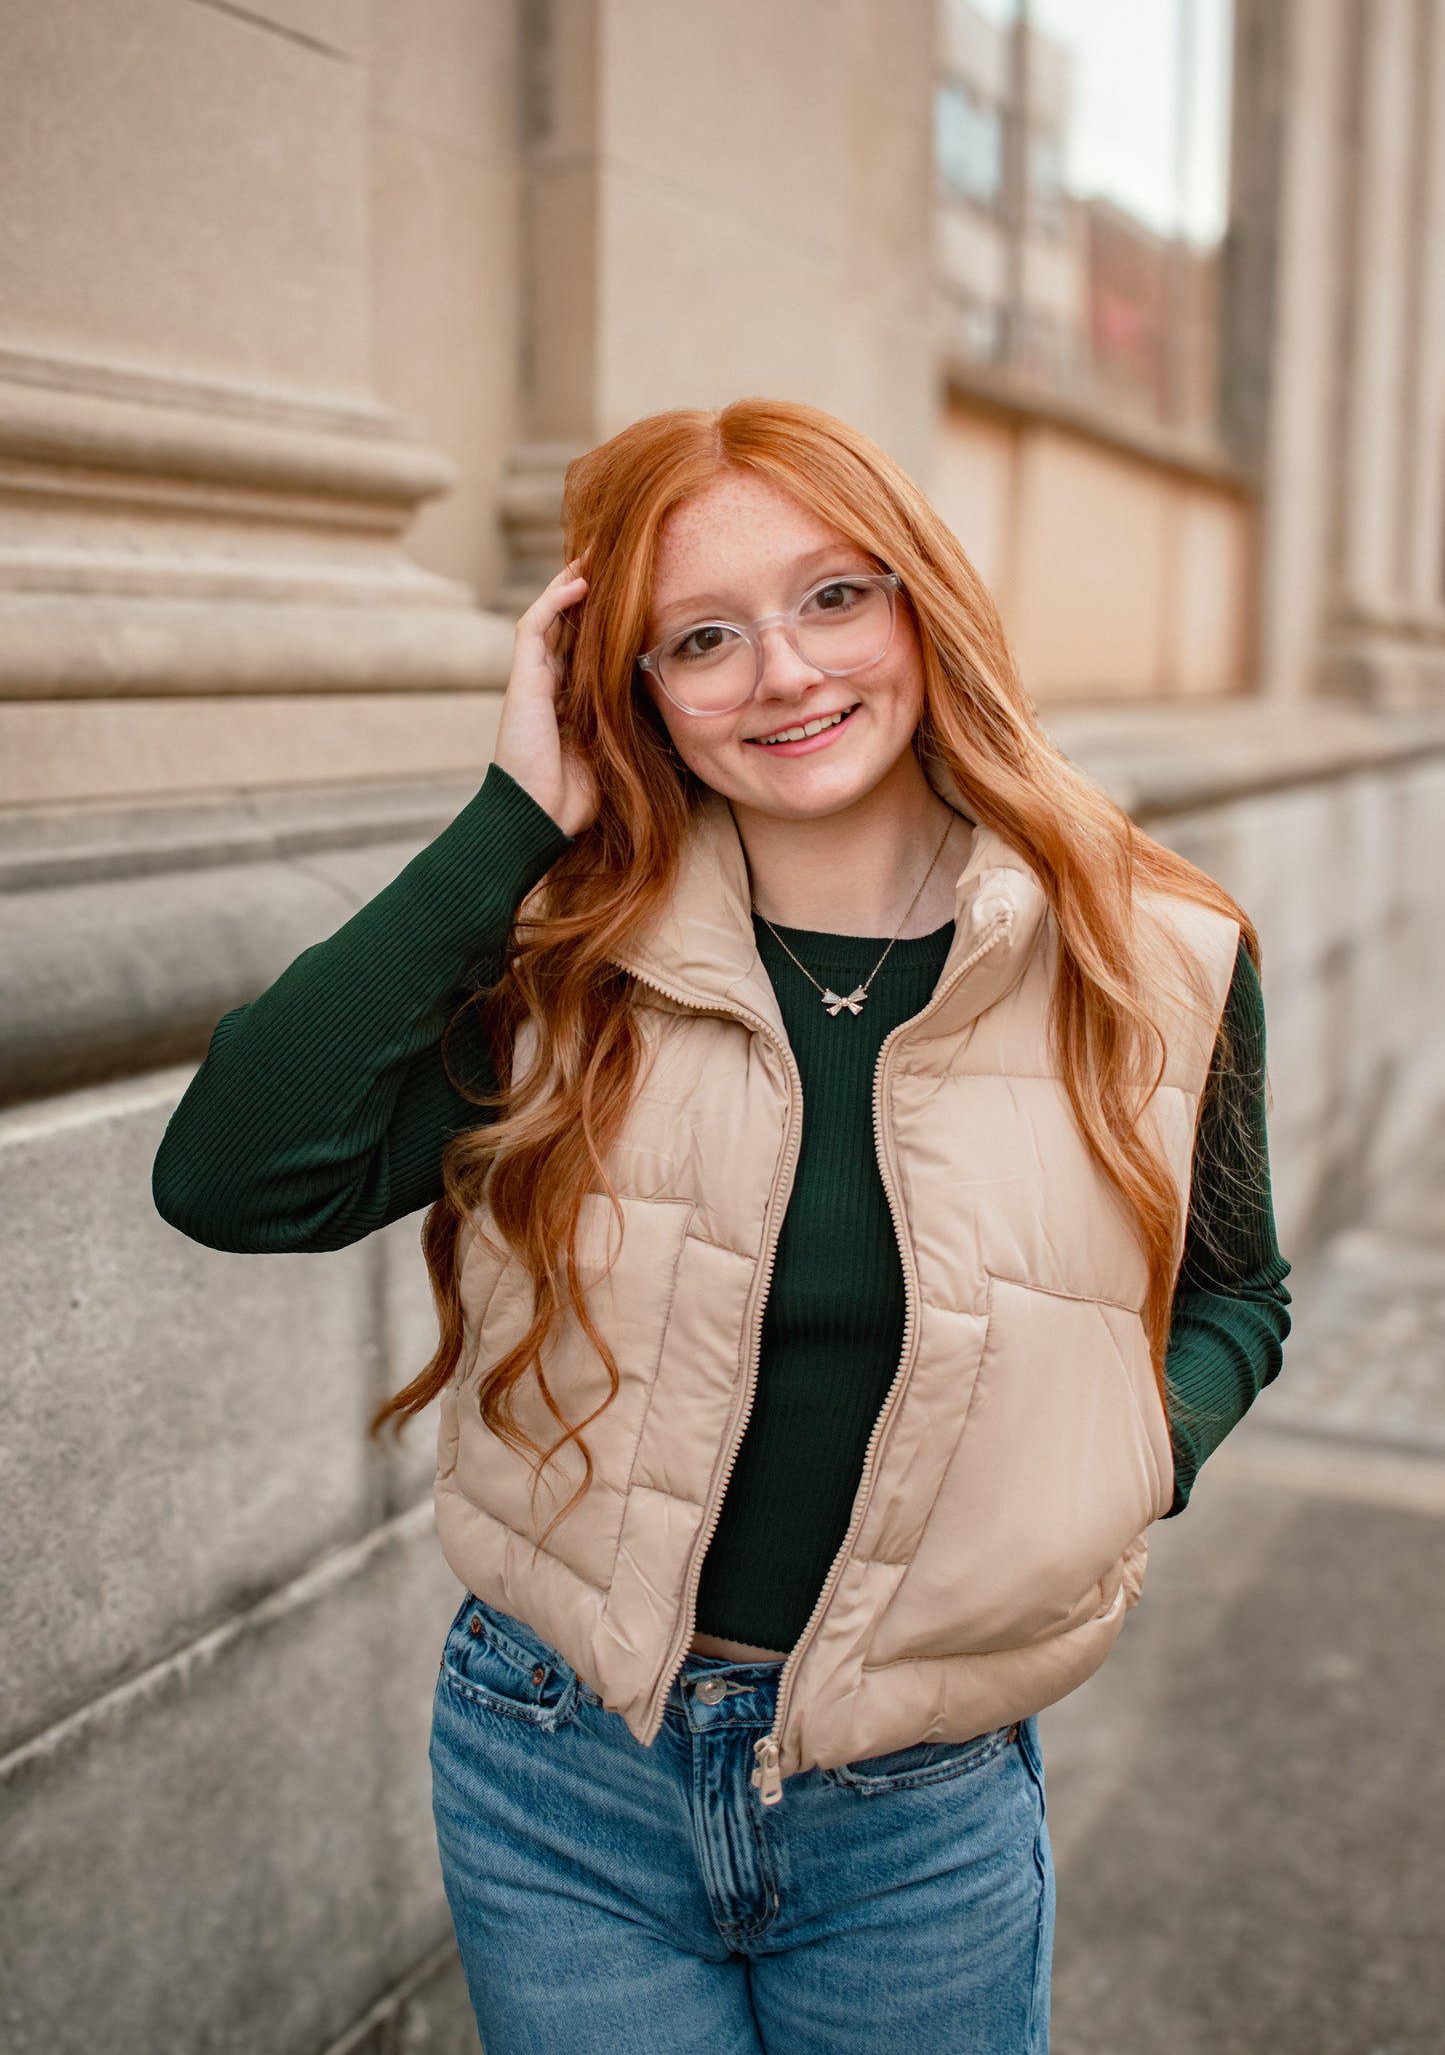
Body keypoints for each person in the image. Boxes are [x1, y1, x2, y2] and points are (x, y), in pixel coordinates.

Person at [153, 399, 1291, 2055]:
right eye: (700, 636)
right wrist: (507, 824)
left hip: (919, 1808)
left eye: (835, 596)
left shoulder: (1158, 957)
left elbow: (1234, 1293)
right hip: (559, 1779)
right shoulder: (566, 964)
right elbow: (235, 1177)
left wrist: (1116, 1465)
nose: (782, 671)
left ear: (922, 604)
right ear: (628, 692)